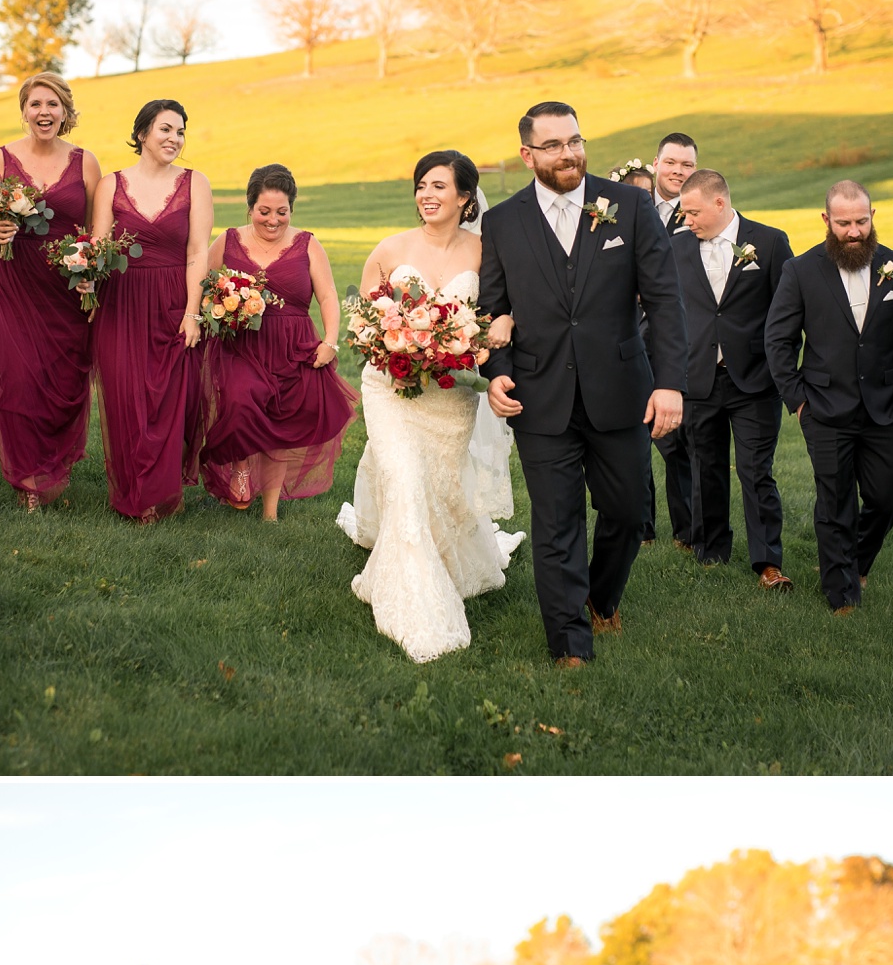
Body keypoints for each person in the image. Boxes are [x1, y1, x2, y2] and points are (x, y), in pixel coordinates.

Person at [480, 103, 688, 667]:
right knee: (556, 522)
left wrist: (670, 383)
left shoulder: (631, 205)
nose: (569, 153)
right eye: (553, 145)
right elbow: (491, 313)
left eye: (575, 140)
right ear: (528, 155)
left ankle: (602, 596)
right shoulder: (501, 223)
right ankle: (570, 641)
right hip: (539, 396)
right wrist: (497, 371)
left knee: (625, 512)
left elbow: (666, 299)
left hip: (621, 390)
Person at [335, 151, 524, 661]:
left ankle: (443, 558)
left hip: (451, 392)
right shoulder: (390, 248)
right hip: (390, 389)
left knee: (437, 483)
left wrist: (491, 331)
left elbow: (500, 313)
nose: (427, 194)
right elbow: (364, 321)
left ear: (465, 198)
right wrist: (391, 341)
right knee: (403, 478)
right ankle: (413, 604)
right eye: (421, 185)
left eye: (440, 186)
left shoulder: (487, 253)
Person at [764, 179, 893, 613]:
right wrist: (798, 401)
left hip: (888, 408)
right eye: (843, 223)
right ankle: (842, 593)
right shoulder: (799, 271)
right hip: (823, 408)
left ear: (873, 216)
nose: (853, 231)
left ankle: (855, 560)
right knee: (834, 499)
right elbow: (778, 341)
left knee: (887, 496)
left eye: (861, 221)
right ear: (826, 221)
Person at [192, 164, 356, 520]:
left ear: (292, 210)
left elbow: (327, 296)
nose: (273, 220)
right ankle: (239, 467)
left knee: (280, 427)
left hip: (293, 348)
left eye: (282, 212)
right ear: (250, 207)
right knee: (240, 400)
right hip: (241, 346)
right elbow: (201, 282)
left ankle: (270, 512)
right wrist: (214, 308)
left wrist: (330, 342)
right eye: (264, 212)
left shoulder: (308, 244)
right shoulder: (229, 240)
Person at [0, 72, 101, 509]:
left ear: (65, 111)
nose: (43, 112)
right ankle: (30, 482)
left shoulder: (86, 162)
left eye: (52, 104)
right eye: (35, 104)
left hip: (65, 287)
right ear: (24, 111)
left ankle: (55, 466)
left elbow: (96, 233)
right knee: (19, 381)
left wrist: (91, 273)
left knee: (65, 380)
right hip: (11, 282)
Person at [90, 97, 212, 522]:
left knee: (167, 400)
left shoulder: (196, 183)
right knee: (126, 397)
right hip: (120, 303)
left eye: (180, 131)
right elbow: (98, 249)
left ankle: (160, 494)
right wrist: (87, 277)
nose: (174, 138)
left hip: (173, 300)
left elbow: (198, 251)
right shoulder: (111, 184)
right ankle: (134, 493)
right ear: (142, 133)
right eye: (165, 129)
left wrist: (193, 312)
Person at [673, 170, 794, 587]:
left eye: (693, 211)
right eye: (684, 212)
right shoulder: (676, 248)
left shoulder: (771, 242)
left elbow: (788, 312)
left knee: (756, 470)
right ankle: (711, 551)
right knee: (704, 466)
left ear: (719, 203)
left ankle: (767, 562)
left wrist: (783, 369)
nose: (687, 220)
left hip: (755, 379)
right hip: (697, 378)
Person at [641, 132, 699, 551]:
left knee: (677, 438)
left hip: (674, 337)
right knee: (631, 436)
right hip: (625, 336)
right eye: (672, 163)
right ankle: (640, 527)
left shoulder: (701, 213)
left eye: (687, 165)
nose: (678, 171)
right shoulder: (630, 204)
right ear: (656, 163)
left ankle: (686, 529)